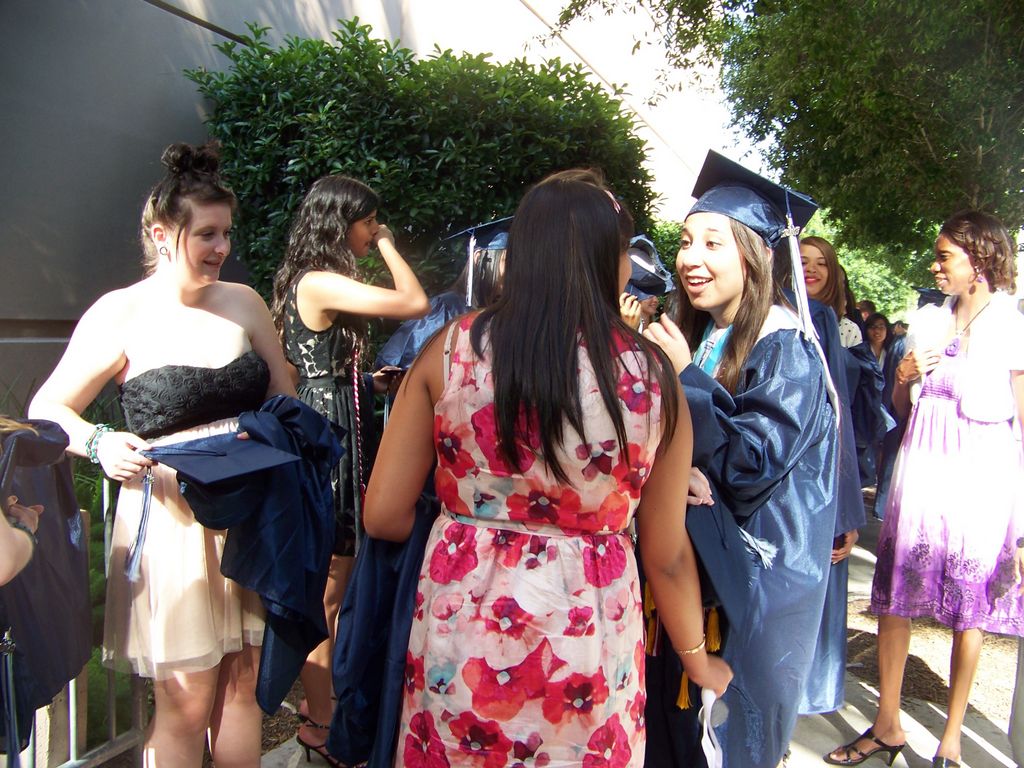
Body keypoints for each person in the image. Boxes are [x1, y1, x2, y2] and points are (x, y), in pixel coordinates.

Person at [362, 169, 731, 766]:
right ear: (613, 261)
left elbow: (382, 514)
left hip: (463, 625)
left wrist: (464, 531)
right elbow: (666, 555)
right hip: (589, 635)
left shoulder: (450, 349)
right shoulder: (653, 376)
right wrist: (698, 661)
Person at [29, 142, 295, 767]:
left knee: (244, 690)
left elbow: (284, 397)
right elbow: (48, 408)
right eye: (207, 234)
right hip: (172, 521)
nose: (222, 248)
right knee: (186, 702)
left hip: (247, 513)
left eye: (226, 233)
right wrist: (99, 442)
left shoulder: (245, 302)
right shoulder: (120, 312)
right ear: (162, 234)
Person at [642, 150, 839, 768]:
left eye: (712, 243)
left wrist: (684, 380)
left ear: (753, 255)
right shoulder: (707, 334)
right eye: (685, 242)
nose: (690, 259)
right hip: (697, 572)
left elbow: (750, 463)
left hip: (756, 579)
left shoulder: (785, 345)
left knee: (728, 740)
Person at [826, 210, 1024, 767]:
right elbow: (899, 410)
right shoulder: (928, 321)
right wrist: (903, 377)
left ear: (979, 259)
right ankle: (888, 725)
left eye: (944, 257)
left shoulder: (1011, 325)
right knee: (895, 599)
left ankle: (951, 741)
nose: (935, 267)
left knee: (969, 609)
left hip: (982, 478)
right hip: (921, 472)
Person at [268, 174, 429, 763]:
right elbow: (414, 303)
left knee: (337, 578)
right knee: (329, 585)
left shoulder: (312, 280)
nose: (374, 229)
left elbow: (317, 364)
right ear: (341, 223)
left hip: (338, 422)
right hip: (327, 436)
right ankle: (321, 717)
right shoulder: (318, 280)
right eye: (368, 220)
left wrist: (366, 382)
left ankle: (327, 705)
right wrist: (388, 246)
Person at [801, 236, 863, 347]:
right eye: (803, 262)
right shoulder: (777, 316)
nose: (811, 269)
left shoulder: (849, 329)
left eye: (821, 263)